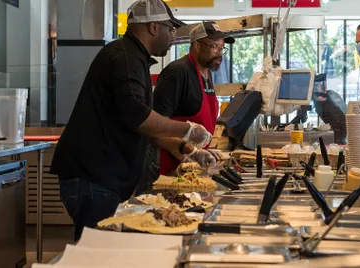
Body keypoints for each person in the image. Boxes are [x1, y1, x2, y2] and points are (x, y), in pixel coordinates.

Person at [50, 0, 216, 241]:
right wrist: (188, 130)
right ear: (152, 27)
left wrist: (187, 150)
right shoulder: (125, 56)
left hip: (103, 179)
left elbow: (141, 128)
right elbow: (139, 117)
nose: (172, 35)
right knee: (97, 253)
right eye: (170, 28)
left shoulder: (131, 56)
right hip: (94, 179)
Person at [152, 22, 235, 176]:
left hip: (192, 167)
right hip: (169, 168)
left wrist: (203, 151)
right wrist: (191, 154)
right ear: (197, 46)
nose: (219, 53)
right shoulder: (177, 72)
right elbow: (156, 129)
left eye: (222, 47)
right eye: (214, 47)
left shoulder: (207, 73)